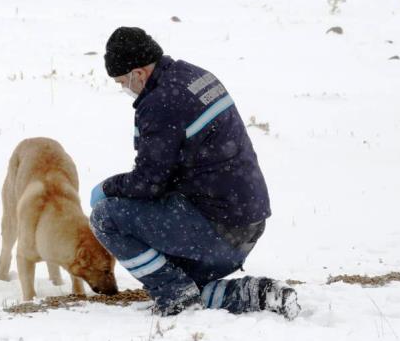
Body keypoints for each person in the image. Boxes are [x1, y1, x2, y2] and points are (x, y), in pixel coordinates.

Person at [89, 26, 300, 319]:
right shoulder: (194, 76)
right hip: (247, 222)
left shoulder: (160, 102)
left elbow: (150, 183)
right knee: (175, 270)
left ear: (138, 73)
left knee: (105, 217)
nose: (124, 88)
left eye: (122, 81)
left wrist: (107, 188)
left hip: (217, 230)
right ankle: (254, 292)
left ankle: (174, 294)